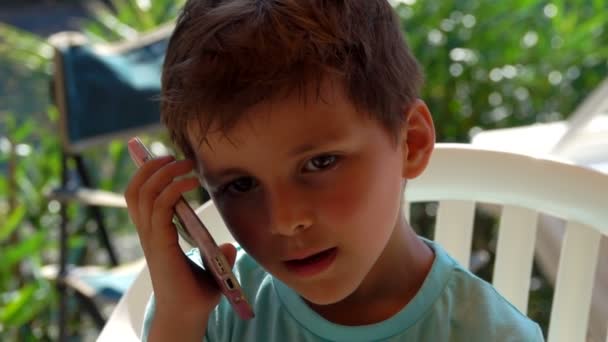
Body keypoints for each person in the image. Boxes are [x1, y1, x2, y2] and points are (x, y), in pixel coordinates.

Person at [125, 0, 544, 340]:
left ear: (411, 142)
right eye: (240, 185)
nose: (286, 221)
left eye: (319, 163)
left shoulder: (488, 333)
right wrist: (179, 319)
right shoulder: (208, 317)